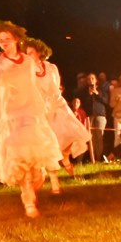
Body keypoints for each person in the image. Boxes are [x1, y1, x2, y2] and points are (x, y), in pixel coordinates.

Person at [0, 21, 62, 218]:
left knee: (36, 162)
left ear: (15, 39)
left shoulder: (29, 62)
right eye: (0, 40)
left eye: (7, 39)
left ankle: (34, 185)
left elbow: (35, 85)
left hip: (32, 112)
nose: (4, 42)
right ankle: (27, 199)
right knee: (18, 157)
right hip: (11, 114)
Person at [24, 38, 89, 184]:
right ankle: (56, 173)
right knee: (52, 140)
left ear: (39, 53)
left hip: (58, 105)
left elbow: (56, 86)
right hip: (43, 110)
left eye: (31, 53)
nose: (29, 56)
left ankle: (65, 158)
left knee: (69, 134)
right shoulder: (28, 72)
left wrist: (55, 101)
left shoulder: (51, 67)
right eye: (26, 54)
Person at [76, 73, 107, 163]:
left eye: (92, 78)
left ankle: (99, 157)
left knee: (99, 136)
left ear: (96, 80)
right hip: (89, 115)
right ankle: (93, 158)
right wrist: (89, 95)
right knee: (91, 137)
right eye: (89, 79)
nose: (91, 80)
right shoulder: (83, 91)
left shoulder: (101, 90)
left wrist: (97, 93)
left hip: (100, 115)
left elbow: (106, 101)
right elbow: (83, 103)